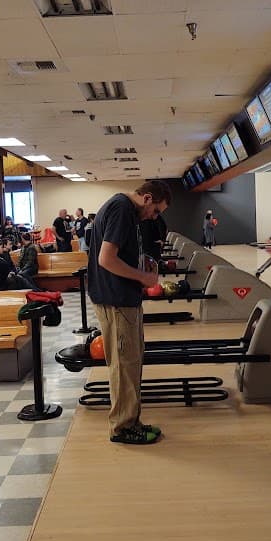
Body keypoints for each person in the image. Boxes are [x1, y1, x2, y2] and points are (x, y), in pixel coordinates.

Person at [88, 179, 171, 445]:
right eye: (156, 210)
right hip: (116, 299)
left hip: (123, 298)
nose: (153, 216)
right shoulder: (122, 208)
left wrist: (142, 265)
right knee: (124, 365)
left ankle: (131, 421)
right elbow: (106, 258)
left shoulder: (124, 210)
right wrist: (143, 277)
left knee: (131, 362)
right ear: (147, 198)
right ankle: (122, 428)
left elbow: (118, 255)